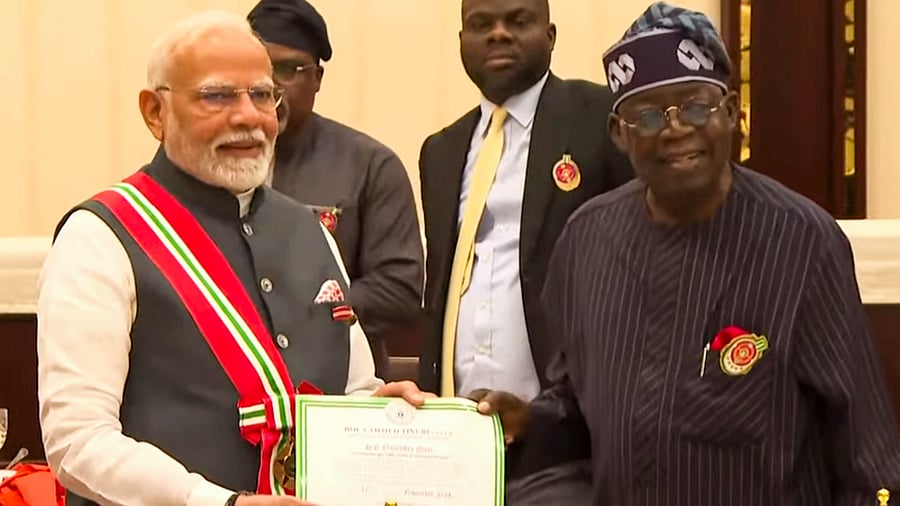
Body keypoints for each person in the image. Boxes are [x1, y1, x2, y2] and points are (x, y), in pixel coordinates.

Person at [475, 3, 900, 505]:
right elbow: (576, 411)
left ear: (732, 113)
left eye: (697, 107)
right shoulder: (585, 242)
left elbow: (866, 459)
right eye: (649, 115)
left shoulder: (803, 241)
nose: (676, 129)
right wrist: (526, 419)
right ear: (619, 133)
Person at [36, 11, 428, 506]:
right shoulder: (99, 237)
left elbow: (351, 392)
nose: (248, 116)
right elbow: (78, 442)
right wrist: (217, 502)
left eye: (262, 94)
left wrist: (381, 416)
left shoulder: (312, 231)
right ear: (155, 112)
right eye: (216, 96)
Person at [417, 0, 631, 487]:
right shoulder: (442, 149)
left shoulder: (601, 118)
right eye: (480, 25)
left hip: (569, 437)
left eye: (517, 22)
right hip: (457, 438)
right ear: (461, 42)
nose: (497, 35)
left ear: (550, 35)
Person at [247, 0, 425, 378]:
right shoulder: (214, 161)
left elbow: (398, 292)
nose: (272, 85)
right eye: (259, 69)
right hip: (230, 381)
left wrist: (296, 309)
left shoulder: (370, 166)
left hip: (337, 386)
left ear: (317, 79)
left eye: (289, 69)